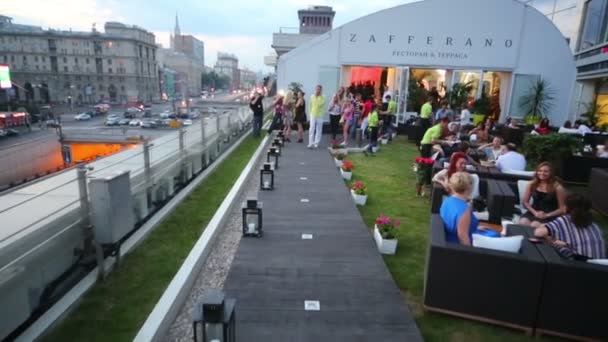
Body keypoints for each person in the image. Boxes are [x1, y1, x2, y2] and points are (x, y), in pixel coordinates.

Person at [534, 193, 606, 260]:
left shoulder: (565, 220)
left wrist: (550, 238)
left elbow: (538, 233)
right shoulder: (594, 226)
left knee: (548, 242)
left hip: (577, 265)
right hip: (599, 267)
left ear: (566, 207)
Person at [519, 162, 566, 228]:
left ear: (551, 173)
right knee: (523, 222)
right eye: (540, 171)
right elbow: (525, 202)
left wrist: (547, 215)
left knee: (535, 225)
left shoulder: (558, 188)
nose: (542, 173)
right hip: (534, 212)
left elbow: (562, 209)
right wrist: (535, 212)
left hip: (550, 214)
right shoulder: (532, 184)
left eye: (546, 171)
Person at [439, 172, 480, 245]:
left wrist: (475, 227)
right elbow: (463, 238)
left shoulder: (447, 201)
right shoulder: (464, 210)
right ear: (469, 187)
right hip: (458, 245)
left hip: (449, 239)